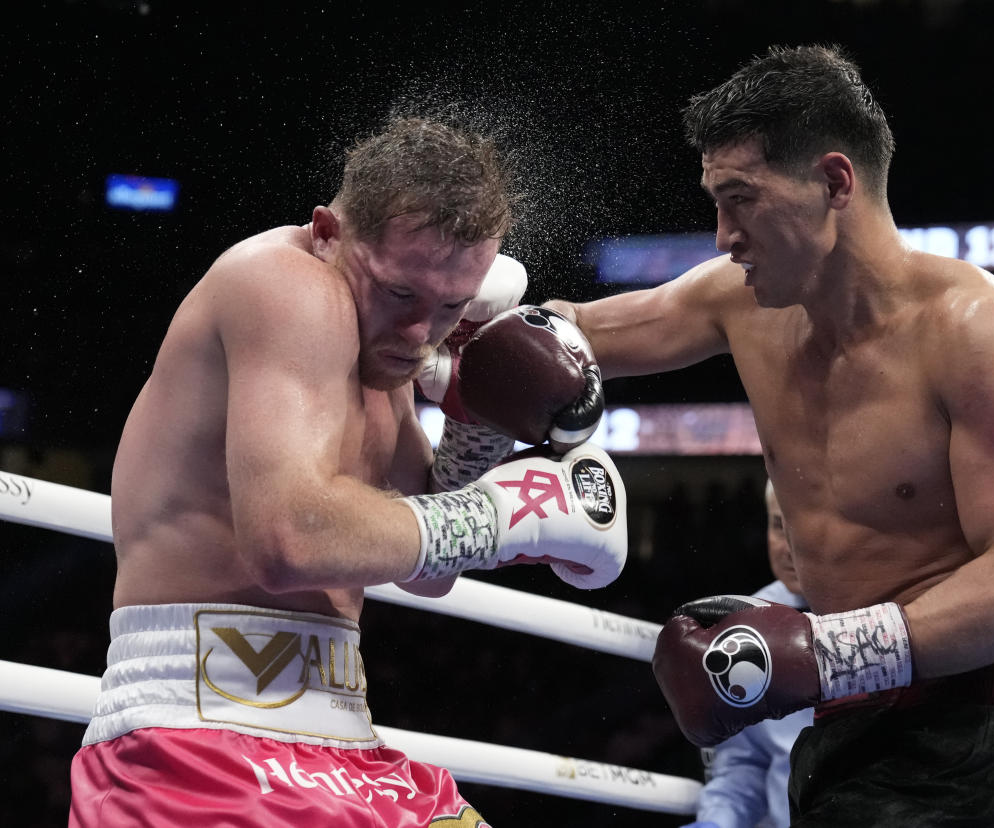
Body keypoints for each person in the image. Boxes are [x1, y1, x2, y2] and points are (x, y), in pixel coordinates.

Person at [546, 44, 994, 825]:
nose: (723, 235)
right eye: (716, 203)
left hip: (977, 742)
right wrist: (442, 312)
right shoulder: (741, 304)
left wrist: (816, 654)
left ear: (835, 181)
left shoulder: (985, 336)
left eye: (742, 199)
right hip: (833, 731)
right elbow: (572, 337)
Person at [68, 116, 627, 827]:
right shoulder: (286, 285)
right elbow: (290, 542)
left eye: (451, 307)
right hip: (199, 741)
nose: (421, 334)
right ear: (329, 231)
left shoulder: (380, 343)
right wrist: (508, 516)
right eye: (401, 294)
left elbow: (427, 568)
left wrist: (476, 418)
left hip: (343, 740)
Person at [683, 480, 813, 828]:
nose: (787, 547)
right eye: (777, 524)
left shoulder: (907, 614)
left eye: (801, 526)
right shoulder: (747, 626)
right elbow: (746, 763)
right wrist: (717, 823)